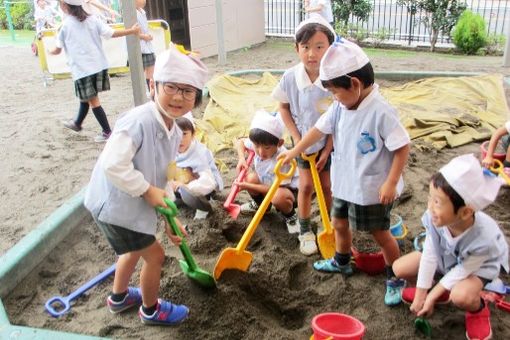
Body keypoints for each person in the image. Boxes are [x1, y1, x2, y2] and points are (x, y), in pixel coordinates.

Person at [83, 43, 209, 325]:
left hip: (129, 207)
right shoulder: (138, 121)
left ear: (196, 98)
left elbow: (165, 174)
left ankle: (119, 298)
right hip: (114, 207)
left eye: (188, 91)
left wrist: (168, 216)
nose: (178, 97)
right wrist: (147, 190)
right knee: (155, 256)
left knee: (133, 249)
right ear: (154, 84)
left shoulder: (175, 130)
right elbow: (113, 164)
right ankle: (151, 310)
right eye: (171, 88)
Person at [279, 39, 411, 306]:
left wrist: (391, 182)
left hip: (372, 189)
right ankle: (342, 261)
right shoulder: (341, 106)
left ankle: (395, 277)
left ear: (355, 84)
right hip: (345, 182)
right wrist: (294, 151)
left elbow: (402, 147)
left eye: (336, 92)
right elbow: (317, 129)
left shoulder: (381, 111)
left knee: (380, 234)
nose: (334, 99)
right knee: (339, 223)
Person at [392, 154, 508, 340]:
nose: (429, 207)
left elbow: (463, 270)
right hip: (447, 257)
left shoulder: (484, 239)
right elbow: (430, 253)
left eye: (437, 202)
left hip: (477, 268)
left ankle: (478, 310)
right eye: (430, 198)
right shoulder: (435, 218)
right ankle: (442, 293)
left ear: (465, 212)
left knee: (461, 296)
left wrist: (430, 297)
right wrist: (422, 293)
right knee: (399, 267)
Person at [271, 16, 336, 256]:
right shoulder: (290, 77)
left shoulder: (333, 78)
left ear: (330, 47)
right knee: (306, 185)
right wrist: (297, 139)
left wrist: (328, 149)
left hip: (328, 142)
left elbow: (337, 118)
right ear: (296, 48)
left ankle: (329, 224)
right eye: (306, 47)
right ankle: (305, 229)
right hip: (300, 144)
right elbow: (283, 108)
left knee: (327, 185)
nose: (312, 54)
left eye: (319, 47)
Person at [49, 0, 139, 143]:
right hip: (98, 66)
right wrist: (131, 31)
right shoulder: (92, 19)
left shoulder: (65, 26)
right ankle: (77, 123)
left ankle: (107, 132)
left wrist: (50, 51)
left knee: (93, 100)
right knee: (86, 97)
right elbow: (111, 33)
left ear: (64, 6)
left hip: (82, 69)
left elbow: (57, 49)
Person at [236, 110, 299, 233]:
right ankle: (261, 206)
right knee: (250, 178)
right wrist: (241, 158)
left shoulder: (283, 160)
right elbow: (240, 142)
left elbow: (274, 190)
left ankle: (290, 216)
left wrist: (247, 186)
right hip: (268, 184)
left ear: (279, 143)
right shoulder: (259, 142)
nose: (261, 152)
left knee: (278, 197)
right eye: (256, 146)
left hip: (288, 192)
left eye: (267, 147)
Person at [168, 112, 224, 220]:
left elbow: (208, 182)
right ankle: (180, 197)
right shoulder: (171, 148)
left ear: (193, 135)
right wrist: (171, 182)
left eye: (184, 134)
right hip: (180, 184)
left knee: (194, 185)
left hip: (201, 187)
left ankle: (203, 206)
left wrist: (186, 187)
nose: (180, 139)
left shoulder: (199, 153)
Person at [136, 0, 156, 95]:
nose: (144, 1)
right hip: (140, 47)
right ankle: (146, 93)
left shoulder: (142, 12)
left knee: (151, 72)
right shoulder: (132, 13)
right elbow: (131, 31)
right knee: (140, 72)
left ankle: (151, 92)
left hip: (147, 46)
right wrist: (144, 36)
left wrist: (147, 36)